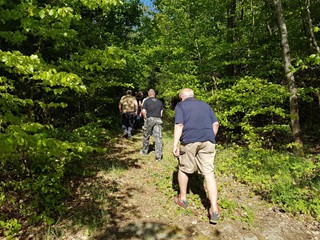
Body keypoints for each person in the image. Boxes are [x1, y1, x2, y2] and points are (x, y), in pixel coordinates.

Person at [172, 88, 220, 224]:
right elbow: (215, 124)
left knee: (183, 168)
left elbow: (179, 124)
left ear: (181, 97)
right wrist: (209, 136)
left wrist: (175, 144)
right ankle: (214, 210)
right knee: (209, 173)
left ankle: (183, 198)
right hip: (209, 140)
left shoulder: (181, 106)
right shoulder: (205, 105)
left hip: (190, 140)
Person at [140, 89, 163, 161]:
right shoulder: (160, 102)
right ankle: (158, 156)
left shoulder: (146, 101)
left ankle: (144, 152)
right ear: (154, 94)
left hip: (149, 119)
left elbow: (143, 111)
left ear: (149, 94)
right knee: (158, 137)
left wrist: (145, 118)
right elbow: (161, 112)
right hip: (158, 119)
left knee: (146, 136)